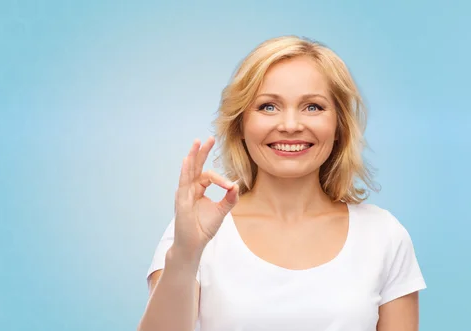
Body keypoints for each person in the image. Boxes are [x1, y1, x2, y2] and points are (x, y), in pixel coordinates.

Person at [137, 35, 426, 331]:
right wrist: (186, 255)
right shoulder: (195, 232)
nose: (290, 125)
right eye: (268, 107)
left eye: (313, 107)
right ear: (240, 126)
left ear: (339, 126)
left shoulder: (383, 235)